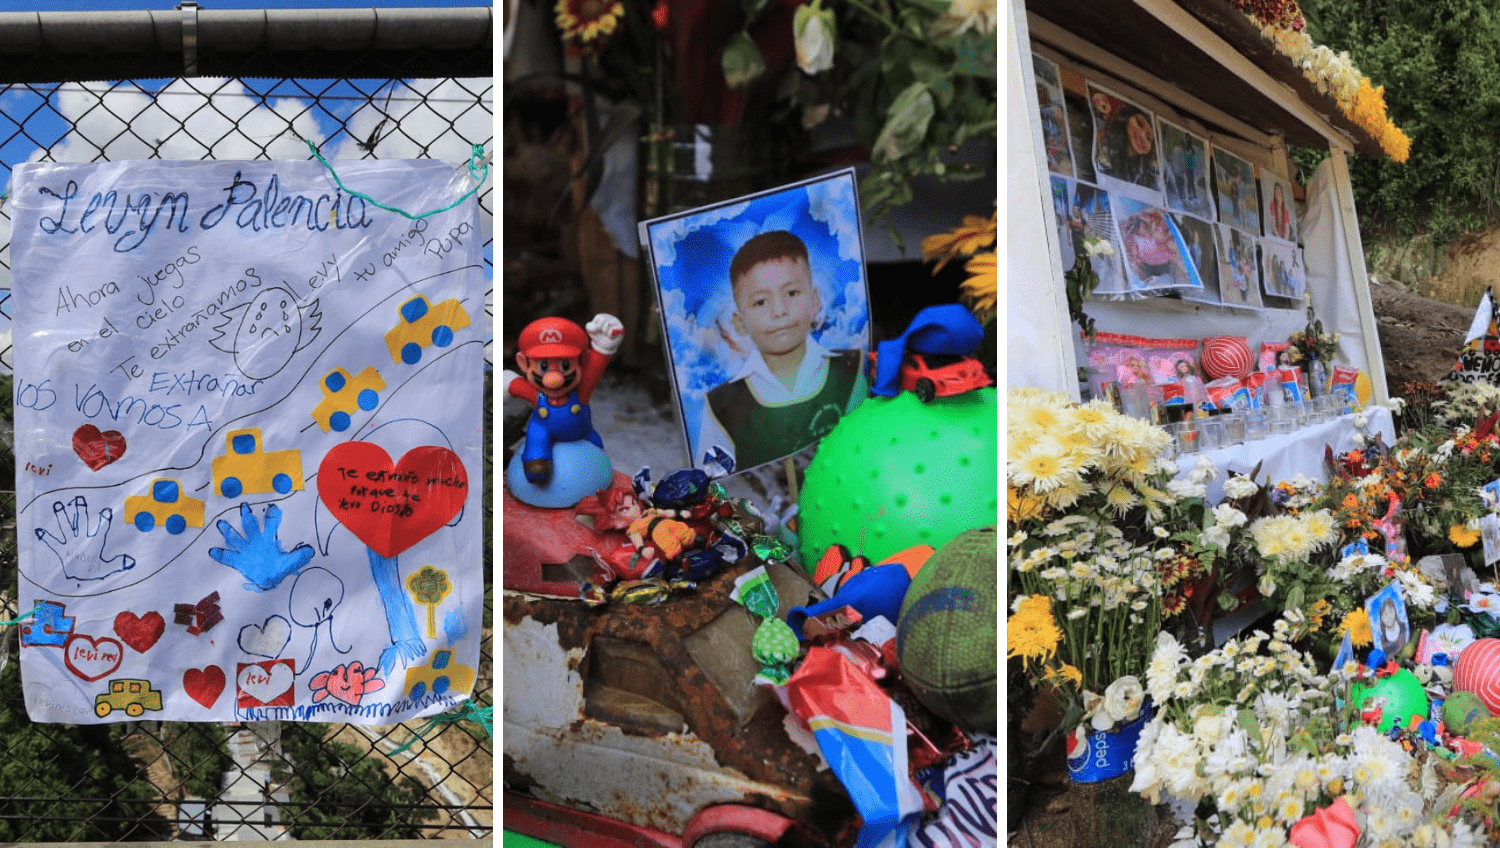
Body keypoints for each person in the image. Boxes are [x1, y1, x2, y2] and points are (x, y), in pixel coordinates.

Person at [698, 230, 866, 471]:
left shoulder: (853, 368)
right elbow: (711, 478)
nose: (779, 311)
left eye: (792, 293)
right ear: (739, 322)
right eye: (760, 302)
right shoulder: (720, 405)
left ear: (815, 301)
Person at [506, 313, 624, 486]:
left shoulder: (581, 390)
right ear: (524, 363)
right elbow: (515, 385)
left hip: (582, 435)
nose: (555, 379)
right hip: (543, 429)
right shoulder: (536, 394)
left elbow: (596, 366)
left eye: (565, 366)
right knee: (537, 435)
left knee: (595, 459)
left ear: (581, 362)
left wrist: (603, 347)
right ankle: (536, 461)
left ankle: (592, 473)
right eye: (544, 366)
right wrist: (506, 383)